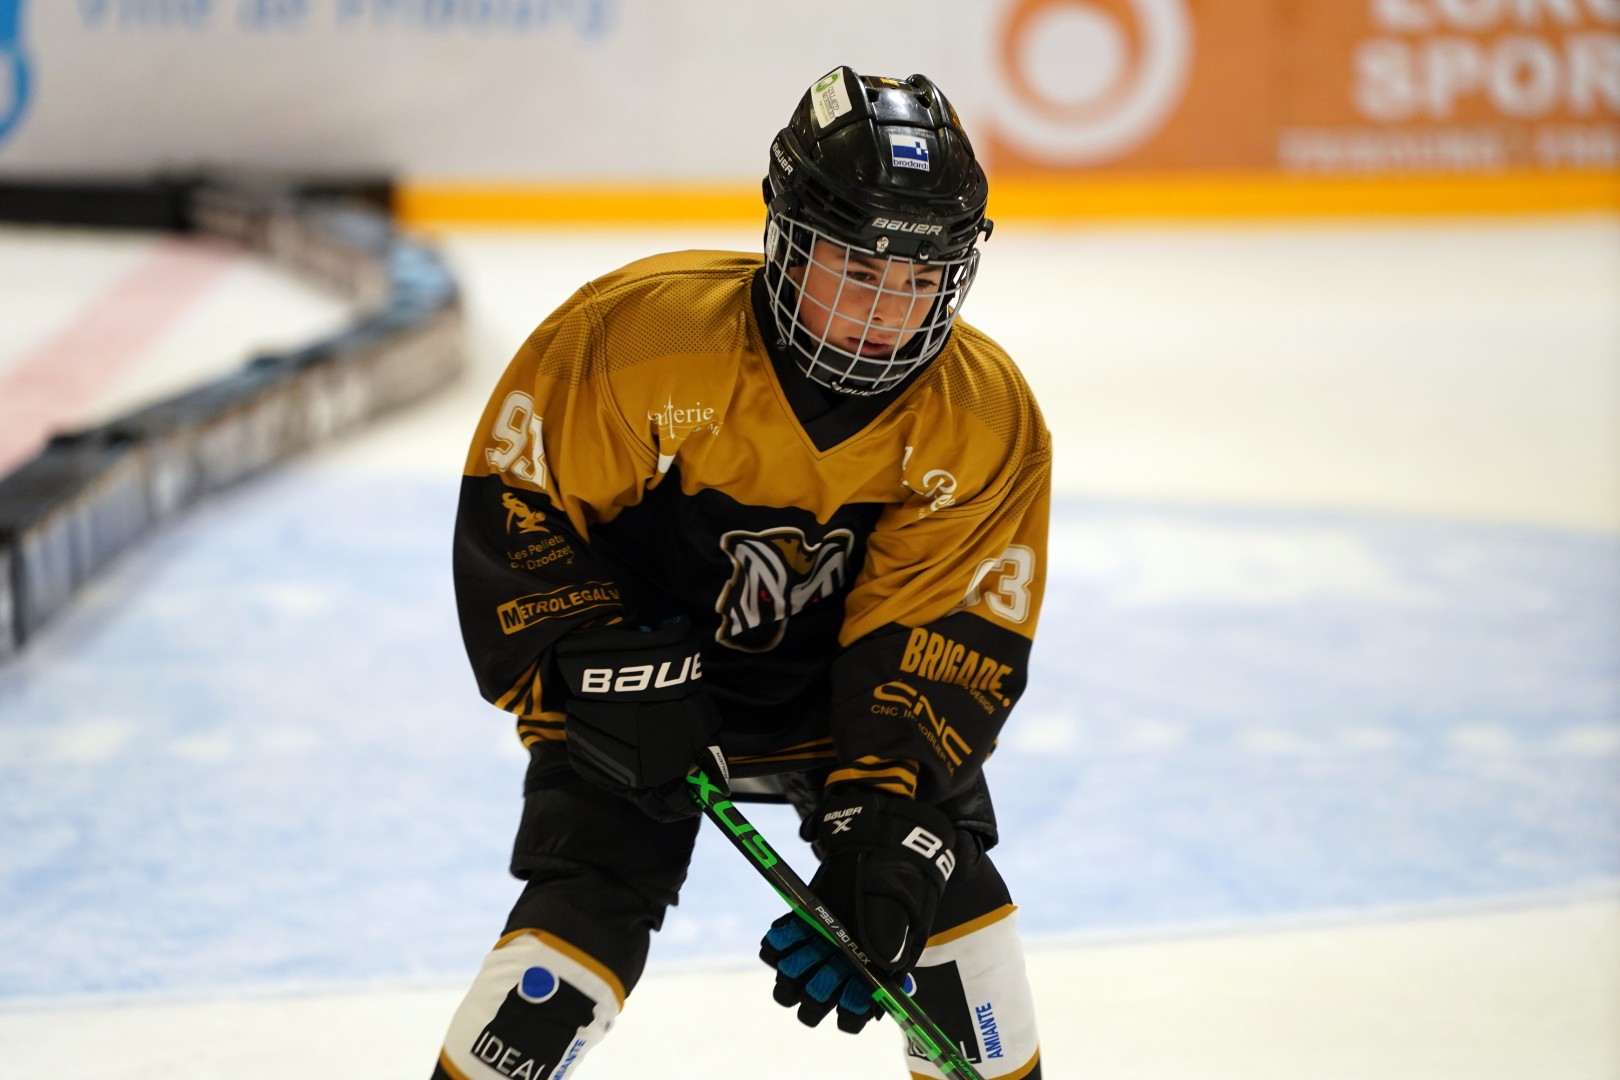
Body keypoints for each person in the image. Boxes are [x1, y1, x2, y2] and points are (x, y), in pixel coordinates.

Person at [434, 65, 1050, 1080]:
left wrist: (881, 832)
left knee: (953, 934)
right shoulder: (639, 337)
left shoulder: (982, 419)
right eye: (859, 269)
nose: (887, 313)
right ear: (788, 239)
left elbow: (944, 636)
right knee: (584, 910)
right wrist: (595, 666)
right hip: (641, 676)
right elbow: (522, 509)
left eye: (920, 280)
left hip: (842, 701)